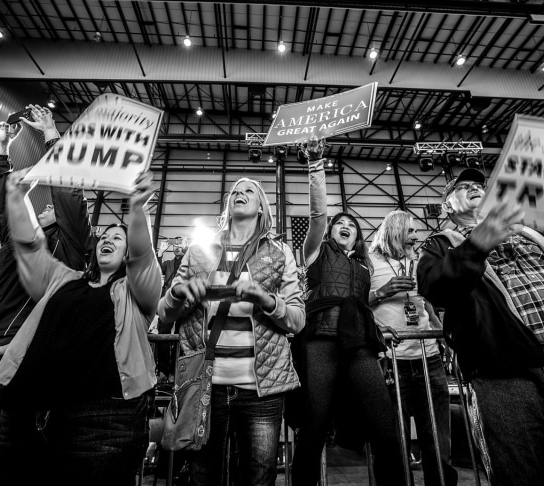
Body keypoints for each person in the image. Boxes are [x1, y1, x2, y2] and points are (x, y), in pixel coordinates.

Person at [417, 167, 544, 486]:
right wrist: (479, 243)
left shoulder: (538, 236)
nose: (476, 188)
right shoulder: (442, 245)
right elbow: (436, 286)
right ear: (448, 206)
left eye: (480, 185)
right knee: (521, 477)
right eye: (465, 187)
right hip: (505, 376)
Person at [0, 107, 93, 486]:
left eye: (50, 208)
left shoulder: (69, 251)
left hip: (20, 371)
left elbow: (69, 193)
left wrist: (51, 135)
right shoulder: (18, 240)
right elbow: (0, 198)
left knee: (8, 466)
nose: (43, 207)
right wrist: (1, 146)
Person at [0, 170, 161, 486]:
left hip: (103, 420)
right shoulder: (63, 278)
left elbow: (143, 257)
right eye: (104, 237)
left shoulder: (137, 291)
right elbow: (29, 247)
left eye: (117, 237)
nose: (107, 240)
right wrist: (16, 195)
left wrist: (137, 209)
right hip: (29, 409)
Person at [158, 177, 305, 486]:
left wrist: (265, 299)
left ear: (262, 207)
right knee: (202, 476)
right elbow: (164, 312)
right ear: (228, 205)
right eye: (235, 191)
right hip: (204, 385)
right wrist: (180, 293)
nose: (239, 192)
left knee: (258, 479)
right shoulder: (199, 251)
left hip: (261, 389)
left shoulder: (280, 253)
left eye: (248, 190)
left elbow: (296, 320)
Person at [290, 138, 405, 485]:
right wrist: (315, 167)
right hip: (320, 342)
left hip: (359, 346)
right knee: (315, 426)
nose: (344, 226)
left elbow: (360, 307)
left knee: (385, 425)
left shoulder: (364, 269)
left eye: (351, 225)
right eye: (339, 223)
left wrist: (378, 329)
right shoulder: (316, 252)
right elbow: (317, 214)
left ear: (358, 237)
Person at [368, 210, 457, 486]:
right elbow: (357, 304)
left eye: (416, 231)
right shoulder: (369, 263)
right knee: (394, 438)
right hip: (391, 360)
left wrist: (442, 334)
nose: (415, 236)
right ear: (393, 231)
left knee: (437, 437)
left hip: (428, 358)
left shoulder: (418, 261)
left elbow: (425, 302)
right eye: (410, 231)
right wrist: (384, 291)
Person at [155, 237, 188, 380]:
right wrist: (160, 253)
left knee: (181, 337)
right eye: (175, 244)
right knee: (162, 334)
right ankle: (163, 370)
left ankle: (175, 371)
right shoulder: (167, 264)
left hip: (184, 304)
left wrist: (187, 250)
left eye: (180, 244)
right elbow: (153, 269)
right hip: (168, 303)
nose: (177, 246)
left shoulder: (189, 260)